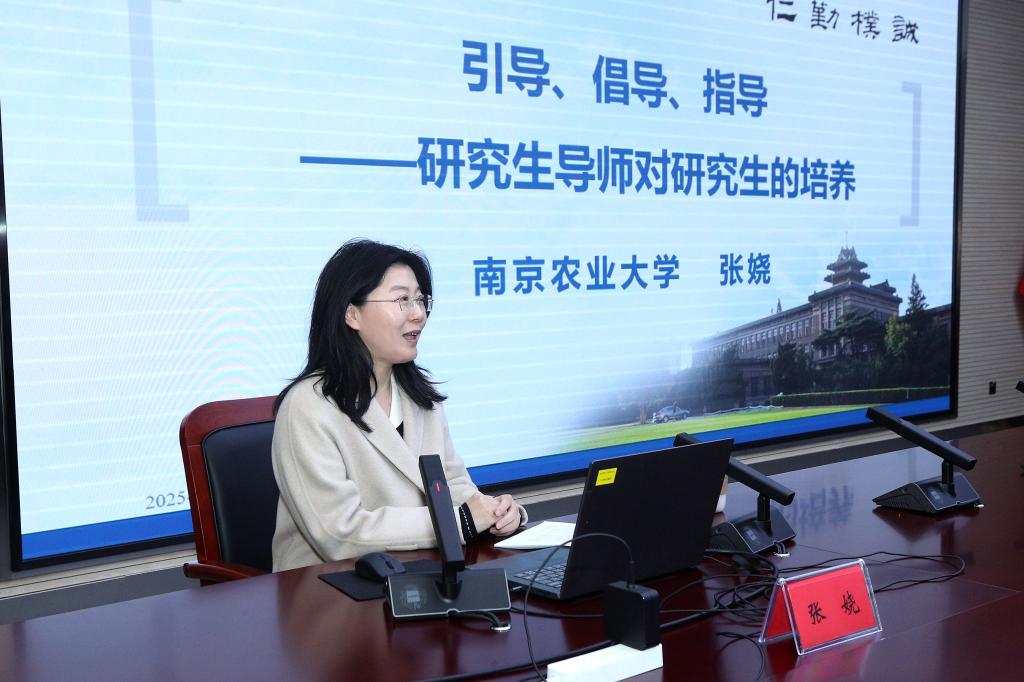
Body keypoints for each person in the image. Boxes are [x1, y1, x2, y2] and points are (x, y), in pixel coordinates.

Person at [271, 239, 525, 571]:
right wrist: (457, 522)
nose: (418, 313)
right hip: (329, 587)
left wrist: (495, 511)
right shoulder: (308, 405)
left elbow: (453, 484)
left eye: (420, 299)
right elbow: (339, 532)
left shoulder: (421, 395)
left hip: (419, 573)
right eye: (402, 299)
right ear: (352, 314)